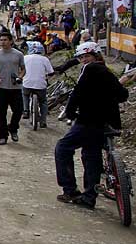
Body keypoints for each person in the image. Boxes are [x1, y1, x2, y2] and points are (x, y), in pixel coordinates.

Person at [54, 42, 130, 209]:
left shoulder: (90, 69)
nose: (83, 60)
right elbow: (123, 95)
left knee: (63, 147)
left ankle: (70, 190)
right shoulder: (106, 71)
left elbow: (77, 94)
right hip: (107, 123)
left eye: (86, 56)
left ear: (96, 55)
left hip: (89, 120)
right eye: (81, 57)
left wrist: (70, 112)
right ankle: (89, 197)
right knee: (91, 155)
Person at [0, 30, 26, 145]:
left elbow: (23, 69)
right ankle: (3, 135)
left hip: (15, 88)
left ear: (11, 41)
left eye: (5, 40)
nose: (2, 42)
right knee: (1, 112)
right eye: (1, 40)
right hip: (2, 88)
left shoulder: (18, 54)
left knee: (19, 110)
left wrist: (20, 77)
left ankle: (13, 128)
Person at [21, 41, 54, 129]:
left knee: (25, 94)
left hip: (27, 83)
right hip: (40, 85)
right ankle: (43, 121)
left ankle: (26, 110)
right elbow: (51, 72)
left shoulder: (25, 58)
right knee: (43, 101)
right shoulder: (45, 59)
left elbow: (19, 69)